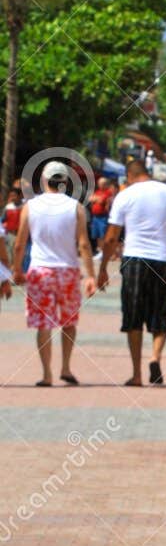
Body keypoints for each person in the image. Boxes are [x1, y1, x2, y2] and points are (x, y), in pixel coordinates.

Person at [97, 158, 166, 386]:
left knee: (133, 318)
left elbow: (111, 237)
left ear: (129, 176)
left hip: (135, 261)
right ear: (146, 172)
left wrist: (102, 269)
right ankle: (155, 357)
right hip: (163, 261)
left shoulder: (125, 195)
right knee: (160, 314)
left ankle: (137, 374)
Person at [12, 162, 96, 386]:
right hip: (67, 271)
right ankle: (66, 367)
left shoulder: (30, 206)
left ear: (43, 180)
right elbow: (84, 245)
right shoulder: (75, 207)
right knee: (69, 322)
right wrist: (90, 276)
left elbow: (20, 243)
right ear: (65, 182)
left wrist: (17, 269)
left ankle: (47, 374)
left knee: (43, 324)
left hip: (40, 271)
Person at [88, 176, 115, 255]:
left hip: (103, 217)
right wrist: (96, 199)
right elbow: (90, 199)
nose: (99, 185)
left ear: (105, 184)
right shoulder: (97, 191)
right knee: (96, 235)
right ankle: (100, 251)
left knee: (103, 235)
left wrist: (96, 199)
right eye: (99, 183)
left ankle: (104, 251)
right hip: (95, 217)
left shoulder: (108, 192)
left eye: (101, 184)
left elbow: (101, 200)